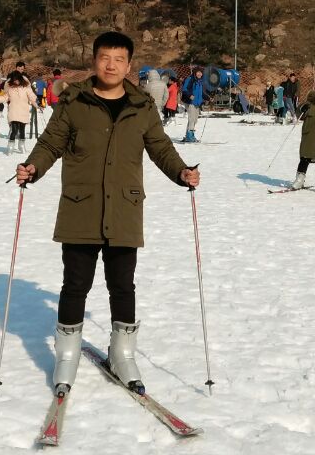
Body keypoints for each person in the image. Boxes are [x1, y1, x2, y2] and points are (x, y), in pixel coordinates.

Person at [16, 31, 200, 396]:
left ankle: (123, 354)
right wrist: (33, 168)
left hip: (125, 208)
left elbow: (160, 147)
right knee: (75, 285)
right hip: (80, 208)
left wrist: (181, 172)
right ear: (94, 61)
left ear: (129, 65)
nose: (110, 65)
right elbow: (51, 142)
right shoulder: (73, 100)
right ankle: (66, 356)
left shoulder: (142, 106)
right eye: (104, 57)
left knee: (122, 285)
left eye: (118, 59)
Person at [6, 70, 37, 153]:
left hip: (23, 111)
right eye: (14, 80)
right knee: (14, 130)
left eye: (17, 79)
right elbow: (5, 97)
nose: (15, 81)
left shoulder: (26, 88)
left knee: (22, 130)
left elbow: (32, 97)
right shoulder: (11, 89)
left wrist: (37, 103)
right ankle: (10, 146)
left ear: (20, 79)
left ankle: (21, 145)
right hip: (14, 111)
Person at [181, 67, 206, 142]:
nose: (199, 74)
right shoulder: (190, 79)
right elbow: (184, 89)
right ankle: (189, 136)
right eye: (198, 72)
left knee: (194, 120)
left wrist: (208, 98)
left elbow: (202, 93)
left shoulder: (200, 81)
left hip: (197, 103)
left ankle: (189, 134)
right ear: (195, 72)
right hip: (190, 102)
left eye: (201, 73)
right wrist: (190, 95)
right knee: (192, 119)